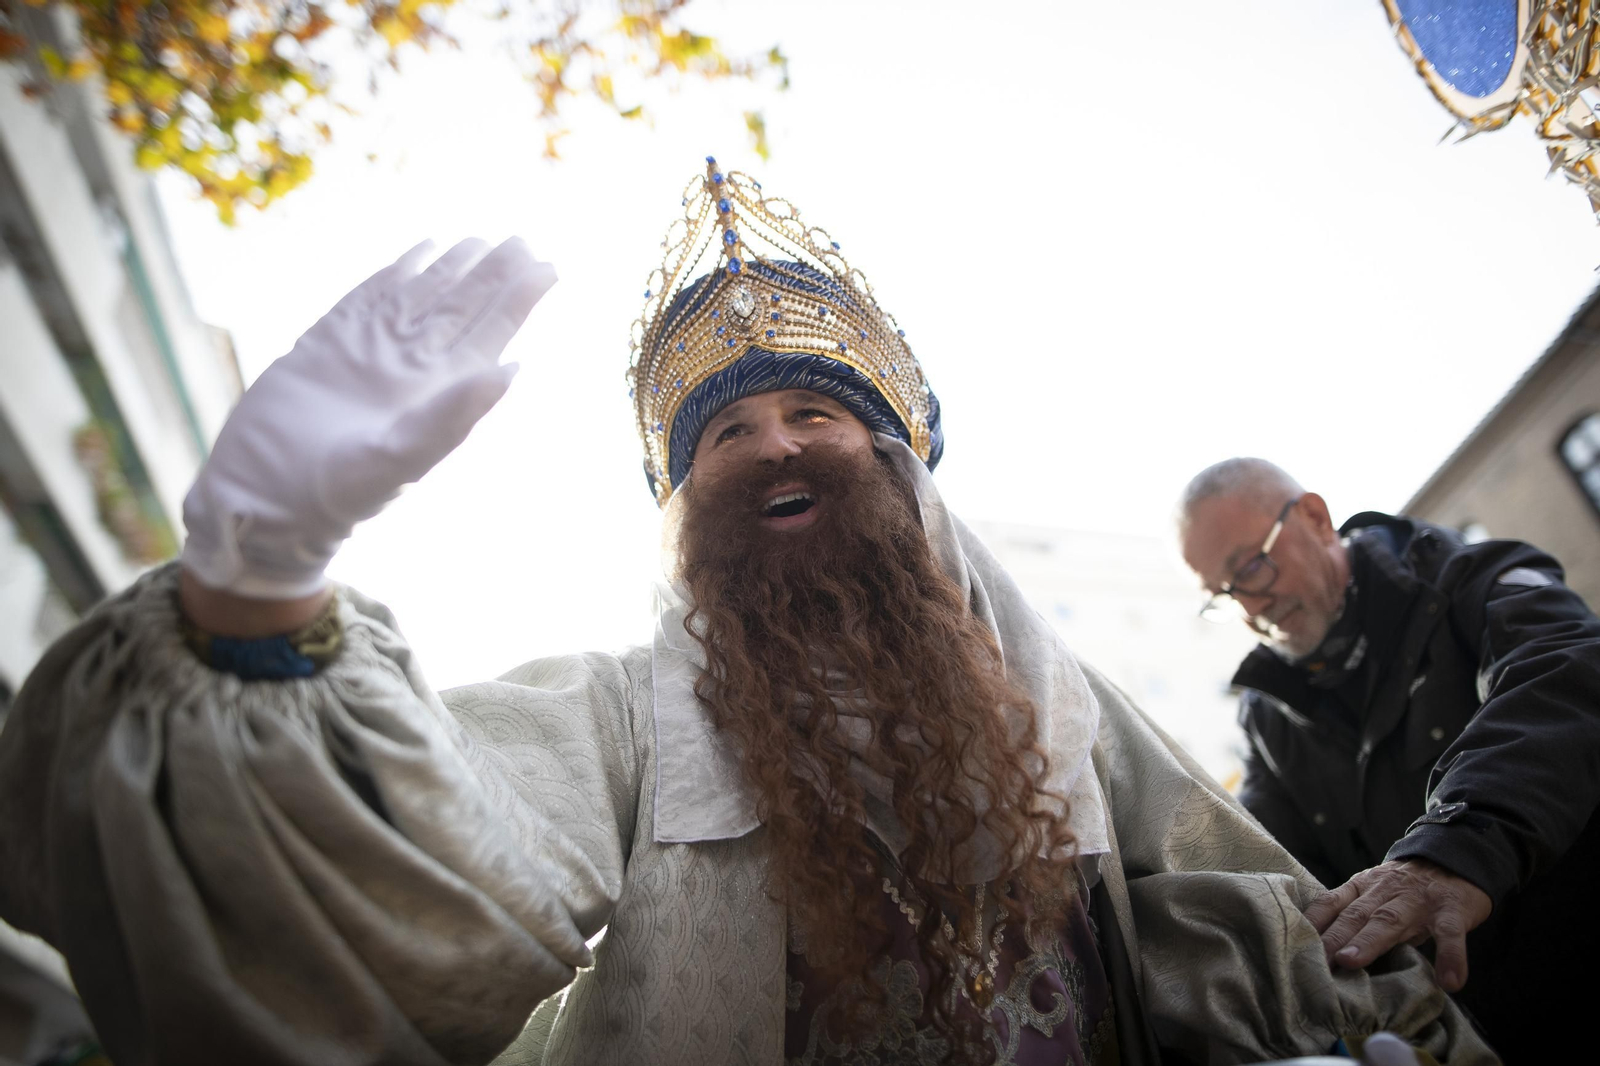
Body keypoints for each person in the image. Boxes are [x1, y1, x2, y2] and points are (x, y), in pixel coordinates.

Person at [0, 162, 1492, 1066]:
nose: (776, 443)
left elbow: (1239, 925)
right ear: (690, 503)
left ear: (902, 465)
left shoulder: (1060, 696)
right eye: (726, 432)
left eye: (815, 411)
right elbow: (422, 883)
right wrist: (258, 591)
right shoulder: (611, 710)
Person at [1179, 456, 1600, 1060]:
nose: (1251, 605)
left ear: (1317, 519)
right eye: (1222, 595)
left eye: (1250, 565)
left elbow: (1568, 673)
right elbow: (1264, 862)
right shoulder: (1267, 721)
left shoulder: (1471, 578)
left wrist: (1457, 844)